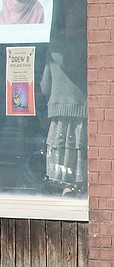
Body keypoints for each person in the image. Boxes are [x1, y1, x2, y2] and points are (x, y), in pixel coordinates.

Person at [41, 40, 86, 191]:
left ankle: (64, 189)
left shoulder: (53, 49)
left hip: (58, 112)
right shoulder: (86, 47)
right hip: (81, 111)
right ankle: (76, 188)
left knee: (60, 150)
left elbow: (45, 87)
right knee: (78, 149)